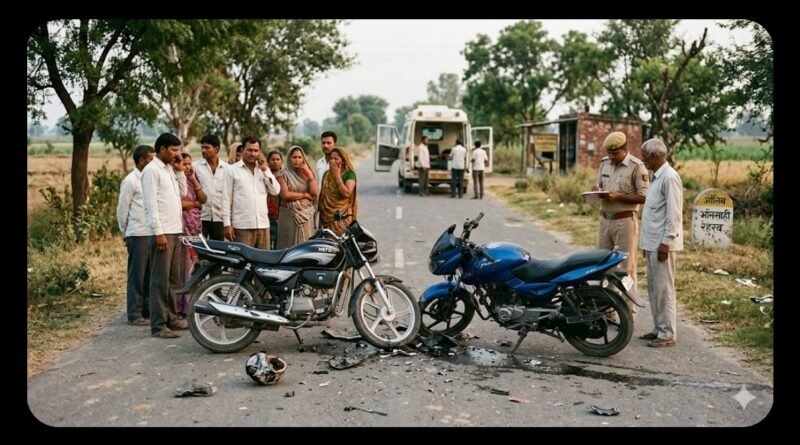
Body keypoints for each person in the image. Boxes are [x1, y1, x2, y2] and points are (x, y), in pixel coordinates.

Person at [592, 131, 649, 317]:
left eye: (615, 153)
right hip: (605, 219)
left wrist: (618, 196)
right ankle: (608, 312)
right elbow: (598, 184)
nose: (611, 156)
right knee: (603, 265)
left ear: (625, 149)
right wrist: (596, 191)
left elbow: (643, 197)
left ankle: (628, 312)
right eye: (609, 153)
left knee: (626, 268)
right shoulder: (604, 163)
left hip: (625, 221)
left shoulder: (636, 167)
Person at [142, 133, 188, 338]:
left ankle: (172, 317)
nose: (177, 154)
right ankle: (159, 325)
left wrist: (179, 171)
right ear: (161, 149)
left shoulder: (170, 169)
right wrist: (158, 232)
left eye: (178, 150)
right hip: (163, 232)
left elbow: (183, 192)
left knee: (174, 280)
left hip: (175, 229)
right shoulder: (152, 171)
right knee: (159, 280)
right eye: (173, 150)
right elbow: (151, 205)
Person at [639, 138, 683, 348]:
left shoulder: (670, 177)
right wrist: (645, 244)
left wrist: (666, 242)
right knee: (654, 288)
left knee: (664, 289)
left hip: (662, 244)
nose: (643, 160)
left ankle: (667, 334)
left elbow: (673, 215)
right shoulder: (656, 177)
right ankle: (658, 328)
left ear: (655, 157)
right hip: (652, 243)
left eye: (645, 157)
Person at [116, 145, 155, 326]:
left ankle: (146, 310)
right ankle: (134, 313)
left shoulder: (150, 179)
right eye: (150, 159)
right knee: (137, 276)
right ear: (141, 160)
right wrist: (126, 232)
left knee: (148, 276)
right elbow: (122, 210)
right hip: (137, 233)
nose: (152, 162)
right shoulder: (131, 181)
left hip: (150, 233)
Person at [221, 136, 280, 249]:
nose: (253, 154)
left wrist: (266, 169)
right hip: (242, 226)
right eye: (249, 150)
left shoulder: (263, 170)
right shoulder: (232, 170)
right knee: (240, 264)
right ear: (243, 150)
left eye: (256, 150)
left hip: (263, 225)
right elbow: (225, 199)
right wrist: (227, 225)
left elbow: (276, 191)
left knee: (263, 263)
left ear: (259, 152)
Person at [175, 152, 207, 316]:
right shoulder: (176, 180)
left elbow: (204, 199)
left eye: (189, 164)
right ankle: (183, 306)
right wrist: (194, 203)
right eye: (184, 164)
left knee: (196, 267)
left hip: (196, 228)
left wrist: (194, 180)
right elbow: (180, 203)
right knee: (184, 268)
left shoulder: (193, 180)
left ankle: (195, 302)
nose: (187, 167)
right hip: (182, 228)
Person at [276, 146, 319, 248]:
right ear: (289, 159)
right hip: (288, 215)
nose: (297, 160)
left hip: (306, 216)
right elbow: (285, 194)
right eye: (294, 157)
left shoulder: (307, 174)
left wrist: (309, 175)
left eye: (300, 157)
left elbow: (315, 192)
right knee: (288, 246)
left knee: (306, 246)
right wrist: (304, 195)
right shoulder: (283, 174)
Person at [193, 134, 229, 240]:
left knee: (218, 251)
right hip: (200, 217)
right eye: (202, 147)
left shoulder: (228, 169)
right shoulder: (195, 167)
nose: (203, 150)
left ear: (216, 149)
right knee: (199, 250)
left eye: (207, 147)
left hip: (220, 217)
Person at [318, 147, 357, 235]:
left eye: (336, 159)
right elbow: (322, 196)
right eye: (331, 158)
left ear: (343, 161)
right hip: (325, 217)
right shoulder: (326, 174)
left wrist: (337, 176)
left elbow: (346, 193)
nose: (332, 161)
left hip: (341, 217)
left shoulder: (350, 174)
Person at [267, 150, 283, 249]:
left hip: (280, 217)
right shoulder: (264, 175)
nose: (275, 161)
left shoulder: (285, 176)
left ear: (281, 162)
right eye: (273, 159)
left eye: (278, 159)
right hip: (266, 216)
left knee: (278, 243)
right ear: (268, 161)